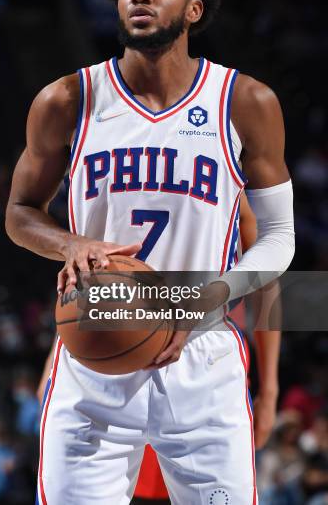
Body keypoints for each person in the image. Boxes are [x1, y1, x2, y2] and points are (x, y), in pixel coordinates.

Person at [6, 0, 294, 504]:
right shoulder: (68, 99)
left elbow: (281, 237)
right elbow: (19, 211)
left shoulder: (245, 102)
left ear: (194, 8)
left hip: (204, 350)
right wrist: (69, 245)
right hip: (96, 336)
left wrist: (214, 299)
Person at [35, 194, 282, 504]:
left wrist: (270, 390)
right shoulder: (92, 158)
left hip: (199, 360)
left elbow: (265, 280)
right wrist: (61, 348)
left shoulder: (229, 174)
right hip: (105, 353)